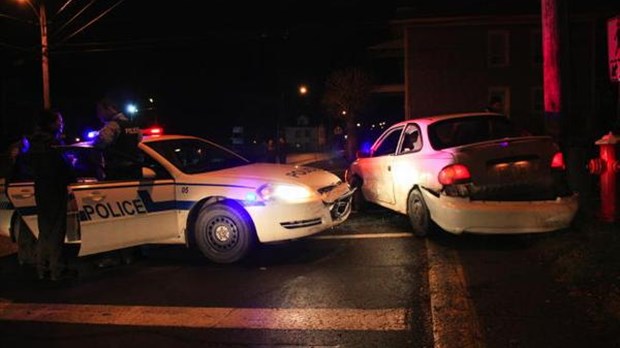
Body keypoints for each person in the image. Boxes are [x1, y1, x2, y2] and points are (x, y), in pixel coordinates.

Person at [29, 109, 76, 281]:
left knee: (45, 230)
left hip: (40, 189)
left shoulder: (32, 143)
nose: (61, 124)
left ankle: (42, 267)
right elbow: (63, 170)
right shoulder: (53, 144)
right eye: (59, 121)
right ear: (51, 123)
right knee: (57, 230)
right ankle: (57, 270)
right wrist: (72, 164)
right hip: (55, 189)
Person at [93, 98, 143, 180]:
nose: (99, 115)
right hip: (136, 169)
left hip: (118, 171)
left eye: (100, 111)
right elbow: (139, 142)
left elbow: (99, 143)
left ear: (109, 108)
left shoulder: (112, 126)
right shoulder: (133, 124)